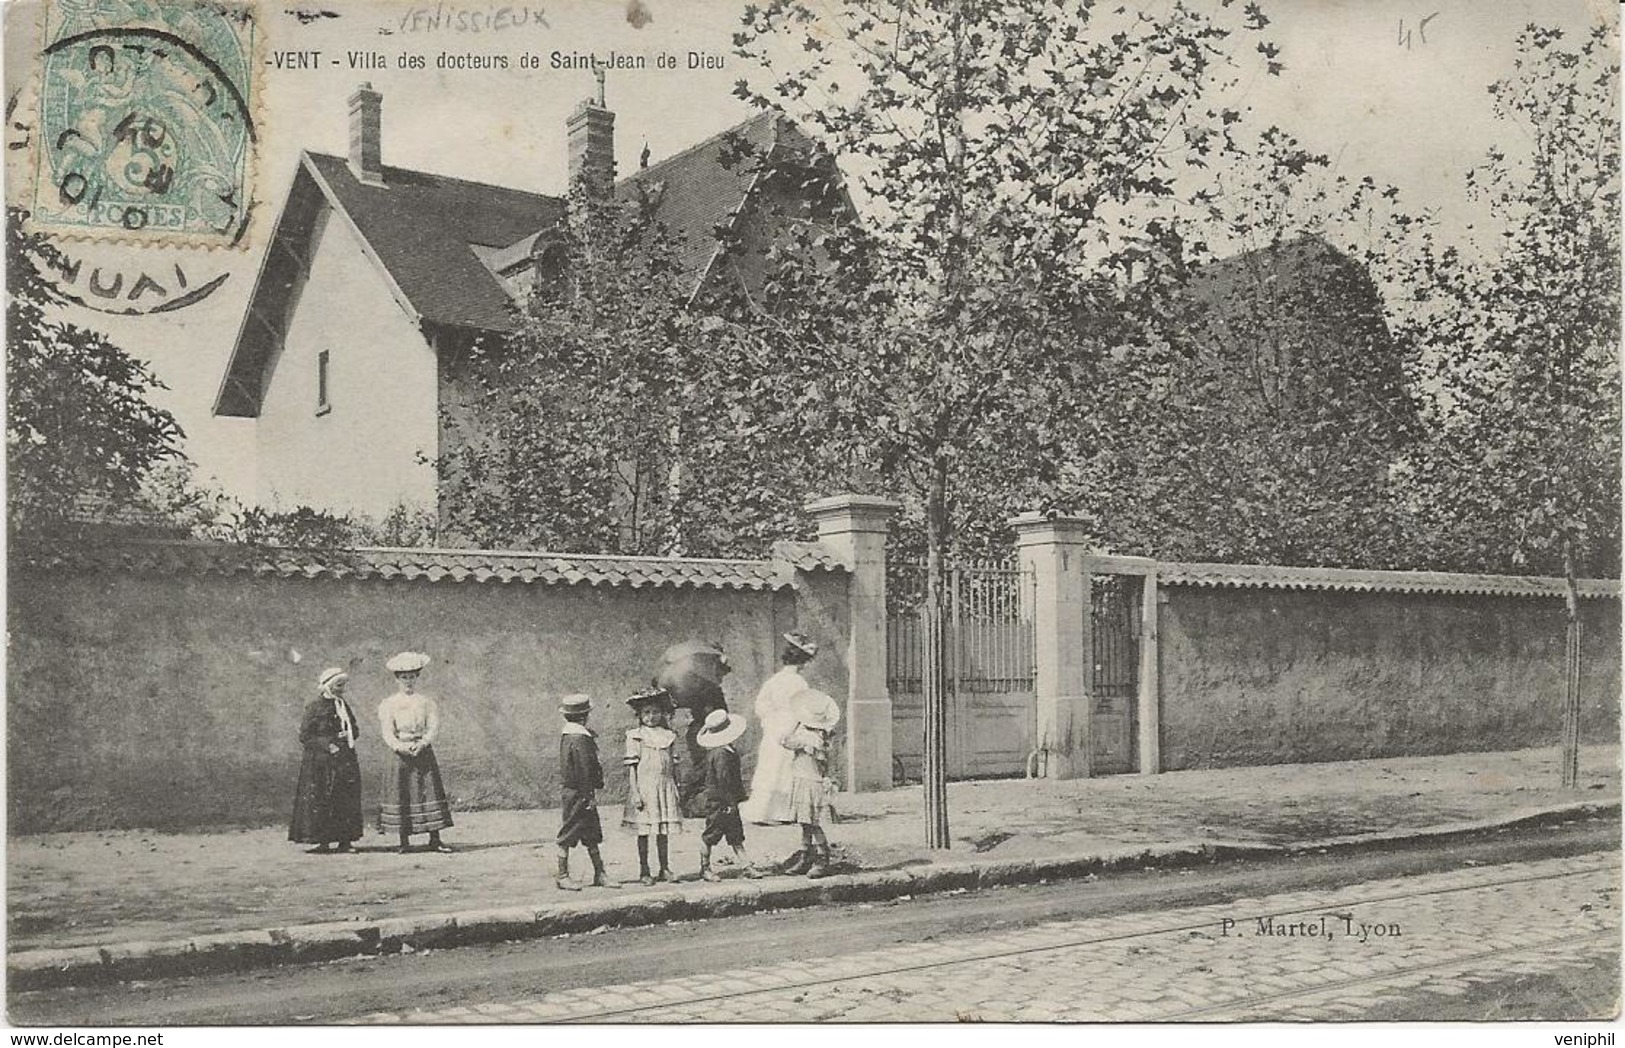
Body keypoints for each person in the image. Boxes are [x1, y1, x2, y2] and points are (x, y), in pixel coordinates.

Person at [376, 651, 453, 854]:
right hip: (400, 753)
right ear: (397, 679)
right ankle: (404, 841)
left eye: (412, 676)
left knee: (428, 791)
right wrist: (400, 747)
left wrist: (423, 743)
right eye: (404, 677)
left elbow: (433, 726)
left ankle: (435, 839)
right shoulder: (389, 703)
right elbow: (387, 731)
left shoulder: (426, 702)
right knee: (403, 792)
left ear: (417, 677)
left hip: (422, 750)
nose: (408, 681)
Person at [740, 632, 818, 825]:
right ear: (802, 662)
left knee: (770, 766)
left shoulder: (774, 680)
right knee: (785, 768)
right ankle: (781, 813)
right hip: (790, 726)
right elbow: (802, 708)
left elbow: (760, 706)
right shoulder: (800, 683)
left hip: (774, 727)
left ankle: (762, 812)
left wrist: (769, 720)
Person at [289, 667, 363, 853]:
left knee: (344, 799)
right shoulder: (314, 707)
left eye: (343, 685)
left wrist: (349, 734)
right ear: (329, 686)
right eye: (339, 685)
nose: (342, 689)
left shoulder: (343, 706)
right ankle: (323, 841)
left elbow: (355, 729)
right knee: (323, 798)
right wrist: (328, 745)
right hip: (321, 764)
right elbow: (306, 736)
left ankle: (345, 842)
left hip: (344, 760)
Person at [621, 687, 683, 885]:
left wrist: (677, 787)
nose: (651, 717)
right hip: (645, 789)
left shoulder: (669, 735)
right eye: (646, 712)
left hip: (665, 787)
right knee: (644, 831)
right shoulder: (635, 736)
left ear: (662, 713)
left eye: (655, 712)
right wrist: (635, 792)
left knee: (663, 831)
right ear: (639, 714)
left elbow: (675, 765)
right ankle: (644, 870)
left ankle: (664, 867)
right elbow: (632, 768)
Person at [557, 694, 619, 891]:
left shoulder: (569, 735)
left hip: (577, 792)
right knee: (568, 833)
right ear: (584, 716)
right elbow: (585, 769)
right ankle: (562, 875)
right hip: (579, 794)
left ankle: (600, 873)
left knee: (591, 833)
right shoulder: (580, 738)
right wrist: (589, 796)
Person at [696, 708, 764, 881]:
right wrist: (728, 803)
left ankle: (746, 866)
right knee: (711, 835)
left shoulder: (728, 751)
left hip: (727, 801)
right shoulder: (721, 754)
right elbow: (723, 781)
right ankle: (704, 868)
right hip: (720, 802)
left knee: (735, 835)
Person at [781, 688, 841, 878]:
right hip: (803, 780)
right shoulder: (812, 733)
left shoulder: (811, 738)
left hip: (810, 783)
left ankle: (823, 858)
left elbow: (783, 740)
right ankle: (806, 855)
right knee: (805, 823)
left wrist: (795, 724)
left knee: (813, 823)